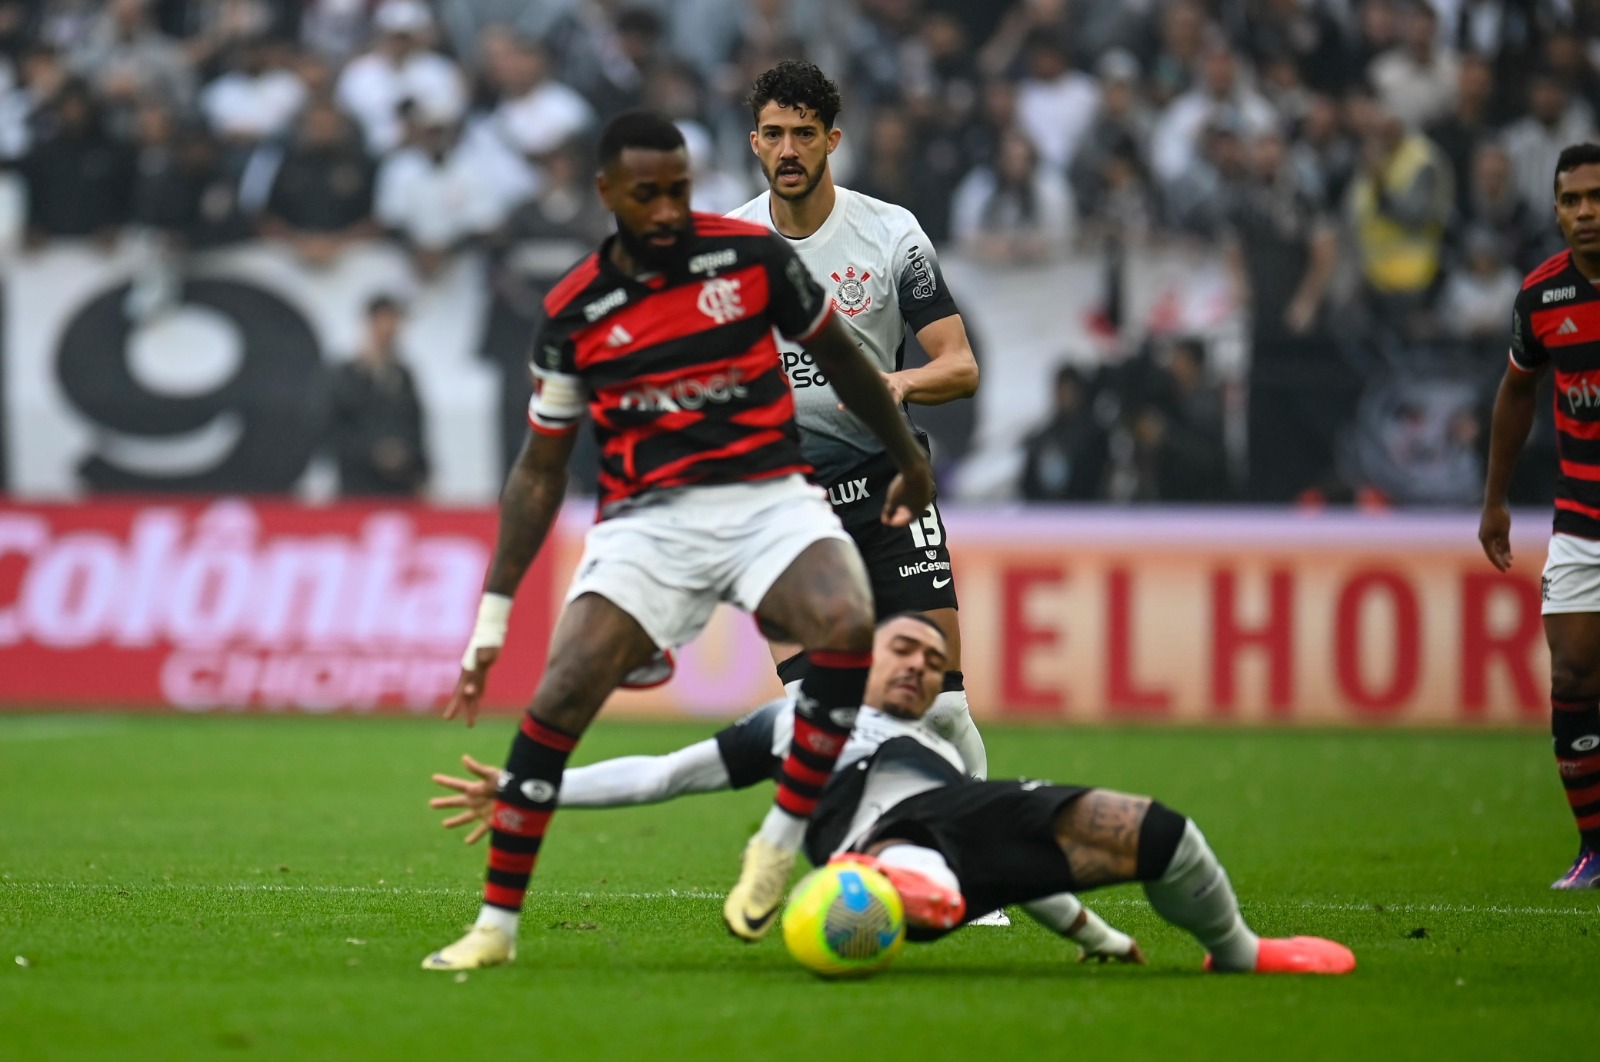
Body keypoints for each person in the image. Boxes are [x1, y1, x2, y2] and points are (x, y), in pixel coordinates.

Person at [422, 110, 934, 970]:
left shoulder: (751, 260)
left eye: (680, 190)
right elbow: (540, 469)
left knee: (847, 623)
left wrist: (907, 456)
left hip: (769, 498)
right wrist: (493, 617)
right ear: (607, 193)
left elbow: (846, 362)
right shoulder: (574, 309)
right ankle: (495, 929)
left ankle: (778, 840)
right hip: (648, 523)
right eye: (647, 194)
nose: (667, 211)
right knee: (559, 699)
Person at [429, 613, 1356, 975]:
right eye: (903, 652)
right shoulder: (796, 717)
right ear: (864, 656)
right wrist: (530, 788)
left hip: (955, 837)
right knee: (916, 839)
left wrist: (1098, 936)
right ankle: (884, 882)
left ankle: (1237, 954)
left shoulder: (939, 739)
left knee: (1156, 831)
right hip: (876, 834)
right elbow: (663, 776)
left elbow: (1019, 867)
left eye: (933, 663)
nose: (918, 670)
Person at [725, 61, 989, 782]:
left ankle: (978, 875)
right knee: (825, 718)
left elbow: (959, 365)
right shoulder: (727, 251)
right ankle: (896, 866)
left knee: (940, 709)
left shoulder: (892, 235)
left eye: (803, 134)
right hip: (785, 510)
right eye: (774, 134)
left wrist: (896, 383)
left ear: (831, 140)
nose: (788, 150)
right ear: (754, 142)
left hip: (888, 493)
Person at [1479, 141, 1600, 891]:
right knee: (1576, 673)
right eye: (1572, 201)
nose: (1586, 213)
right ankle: (1595, 849)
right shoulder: (1542, 299)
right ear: (1555, 211)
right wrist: (1494, 498)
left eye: (1597, 197)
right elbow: (1516, 394)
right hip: (1582, 518)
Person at [325, 296, 430, 498]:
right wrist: (374, 453)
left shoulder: (403, 376)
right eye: (382, 321)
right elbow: (333, 430)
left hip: (400, 488)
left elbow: (416, 427)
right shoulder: (345, 376)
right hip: (357, 489)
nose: (388, 330)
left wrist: (416, 466)